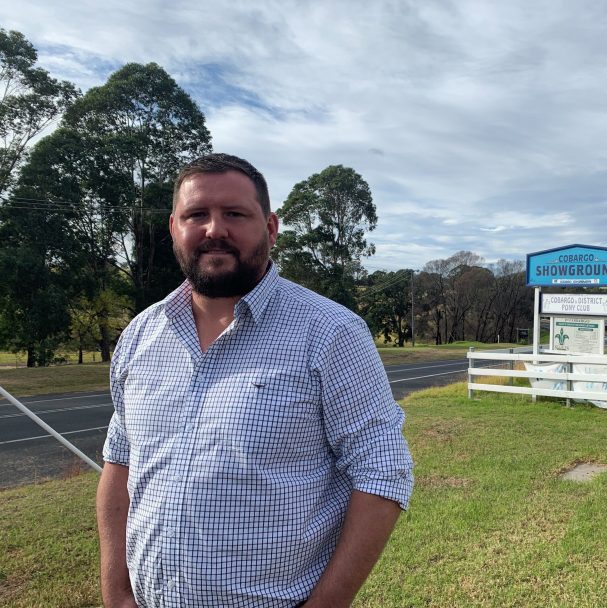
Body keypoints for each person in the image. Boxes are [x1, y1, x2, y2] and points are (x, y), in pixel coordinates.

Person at [96, 153, 414, 607]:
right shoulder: (141, 335)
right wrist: (116, 593)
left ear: (269, 228)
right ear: (173, 228)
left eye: (234, 214)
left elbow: (383, 474)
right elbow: (120, 461)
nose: (214, 230)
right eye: (197, 215)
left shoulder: (331, 333)